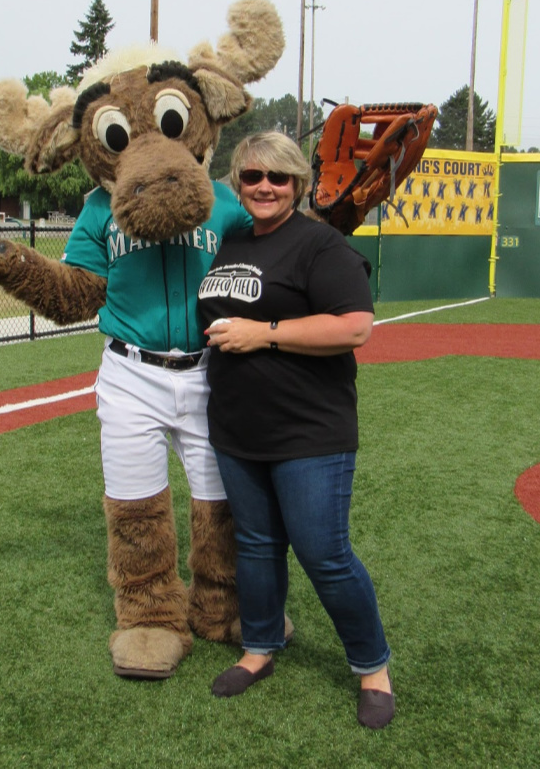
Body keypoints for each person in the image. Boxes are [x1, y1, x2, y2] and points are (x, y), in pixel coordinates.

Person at [197, 131, 394, 730]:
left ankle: (372, 668)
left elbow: (355, 327)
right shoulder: (230, 241)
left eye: (278, 178)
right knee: (256, 545)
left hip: (309, 430)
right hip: (237, 425)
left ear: (298, 185)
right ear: (238, 182)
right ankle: (260, 650)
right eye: (252, 176)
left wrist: (266, 332)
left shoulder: (319, 244)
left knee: (325, 554)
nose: (264, 187)